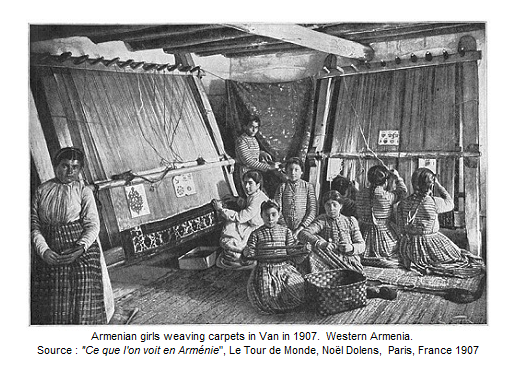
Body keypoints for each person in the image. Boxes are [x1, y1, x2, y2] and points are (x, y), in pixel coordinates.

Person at [31, 147, 113, 324]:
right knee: (53, 295)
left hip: (79, 248)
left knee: (83, 280)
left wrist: (79, 248)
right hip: (50, 247)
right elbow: (34, 226)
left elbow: (92, 225)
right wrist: (44, 251)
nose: (70, 171)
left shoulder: (84, 191)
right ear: (56, 166)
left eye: (75, 167)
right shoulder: (42, 191)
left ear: (80, 169)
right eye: (65, 166)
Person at [397, 168, 484, 278]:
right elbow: (450, 203)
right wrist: (438, 185)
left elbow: (401, 228)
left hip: (408, 246)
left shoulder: (403, 203)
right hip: (430, 242)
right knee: (458, 257)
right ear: (431, 185)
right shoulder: (434, 202)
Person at [244, 200, 306, 314]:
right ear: (261, 215)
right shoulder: (256, 234)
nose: (270, 219)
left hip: (284, 267)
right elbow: (251, 253)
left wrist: (303, 251)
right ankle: (277, 308)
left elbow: (292, 251)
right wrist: (247, 252)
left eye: (273, 215)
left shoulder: (286, 232)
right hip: (265, 268)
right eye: (266, 215)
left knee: (297, 284)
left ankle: (289, 306)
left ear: (279, 214)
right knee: (267, 291)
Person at [212, 170, 269, 270]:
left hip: (257, 229)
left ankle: (239, 256)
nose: (246, 186)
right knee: (230, 228)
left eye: (250, 183)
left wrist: (221, 209)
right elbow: (247, 205)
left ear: (258, 184)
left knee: (231, 233)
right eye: (245, 183)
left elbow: (240, 217)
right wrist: (236, 199)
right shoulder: (255, 195)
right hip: (251, 225)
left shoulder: (257, 199)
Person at [298, 190, 365, 274]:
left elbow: (362, 245)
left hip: (348, 259)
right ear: (324, 206)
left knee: (353, 274)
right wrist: (320, 243)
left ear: (340, 206)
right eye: (328, 205)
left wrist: (350, 247)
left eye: (334, 204)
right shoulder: (322, 220)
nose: (331, 208)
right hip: (328, 259)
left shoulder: (350, 221)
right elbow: (303, 234)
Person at [355, 165, 407, 267]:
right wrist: (397, 178)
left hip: (362, 235)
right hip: (384, 237)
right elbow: (403, 192)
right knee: (397, 245)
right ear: (386, 181)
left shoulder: (359, 193)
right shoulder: (387, 196)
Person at [234, 115, 283, 196]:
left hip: (255, 172)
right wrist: (268, 167)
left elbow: (252, 151)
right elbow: (248, 161)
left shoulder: (253, 138)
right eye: (251, 127)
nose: (254, 130)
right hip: (245, 173)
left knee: (258, 195)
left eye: (256, 127)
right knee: (251, 196)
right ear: (244, 126)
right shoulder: (241, 141)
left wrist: (261, 153)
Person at [273, 157, 317, 239]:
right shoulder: (282, 187)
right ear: (286, 171)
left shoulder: (308, 187)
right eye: (290, 169)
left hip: (303, 229)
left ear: (302, 172)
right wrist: (285, 228)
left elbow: (312, 210)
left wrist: (300, 228)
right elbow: (277, 209)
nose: (293, 173)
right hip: (284, 229)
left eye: (296, 170)